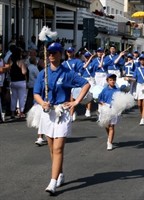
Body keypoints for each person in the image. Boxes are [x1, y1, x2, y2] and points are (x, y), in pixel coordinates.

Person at [33, 42, 90, 194]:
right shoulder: (43, 73)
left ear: (61, 54)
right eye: (49, 52)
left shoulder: (67, 73)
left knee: (58, 148)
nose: (51, 55)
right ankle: (60, 173)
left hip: (62, 113)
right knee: (52, 149)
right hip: (48, 114)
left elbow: (86, 84)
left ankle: (52, 183)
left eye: (55, 52)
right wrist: (42, 103)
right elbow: (36, 93)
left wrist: (76, 102)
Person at [98, 74, 120, 150]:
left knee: (111, 126)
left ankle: (109, 143)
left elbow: (120, 101)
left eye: (114, 80)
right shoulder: (104, 90)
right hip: (105, 109)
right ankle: (109, 137)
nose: (112, 81)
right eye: (110, 80)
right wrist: (102, 103)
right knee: (106, 125)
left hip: (114, 109)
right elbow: (99, 99)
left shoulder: (118, 90)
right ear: (107, 81)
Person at [9, 46, 27, 118]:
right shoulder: (21, 62)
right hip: (21, 81)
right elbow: (24, 72)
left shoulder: (10, 61)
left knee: (13, 97)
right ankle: (21, 112)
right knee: (21, 97)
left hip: (13, 81)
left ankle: (12, 112)